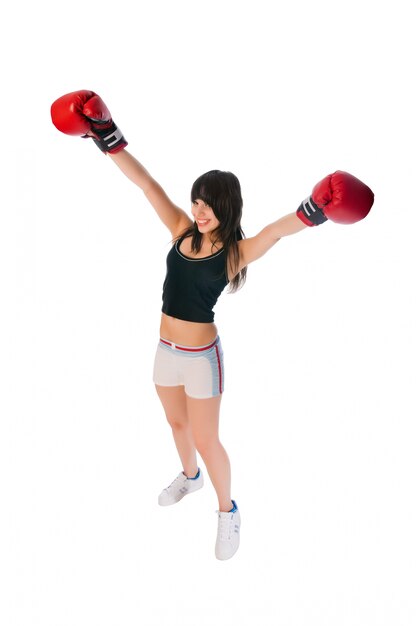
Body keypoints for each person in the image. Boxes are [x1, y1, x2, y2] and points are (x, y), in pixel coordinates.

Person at [51, 90, 374, 561]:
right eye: (197, 202)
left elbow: (276, 232)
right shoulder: (182, 229)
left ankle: (228, 511)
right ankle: (190, 478)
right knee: (174, 420)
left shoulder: (235, 253)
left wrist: (315, 208)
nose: (200, 211)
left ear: (228, 208)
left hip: (202, 359)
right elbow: (146, 184)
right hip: (164, 350)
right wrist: (107, 138)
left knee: (207, 437)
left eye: (208, 205)